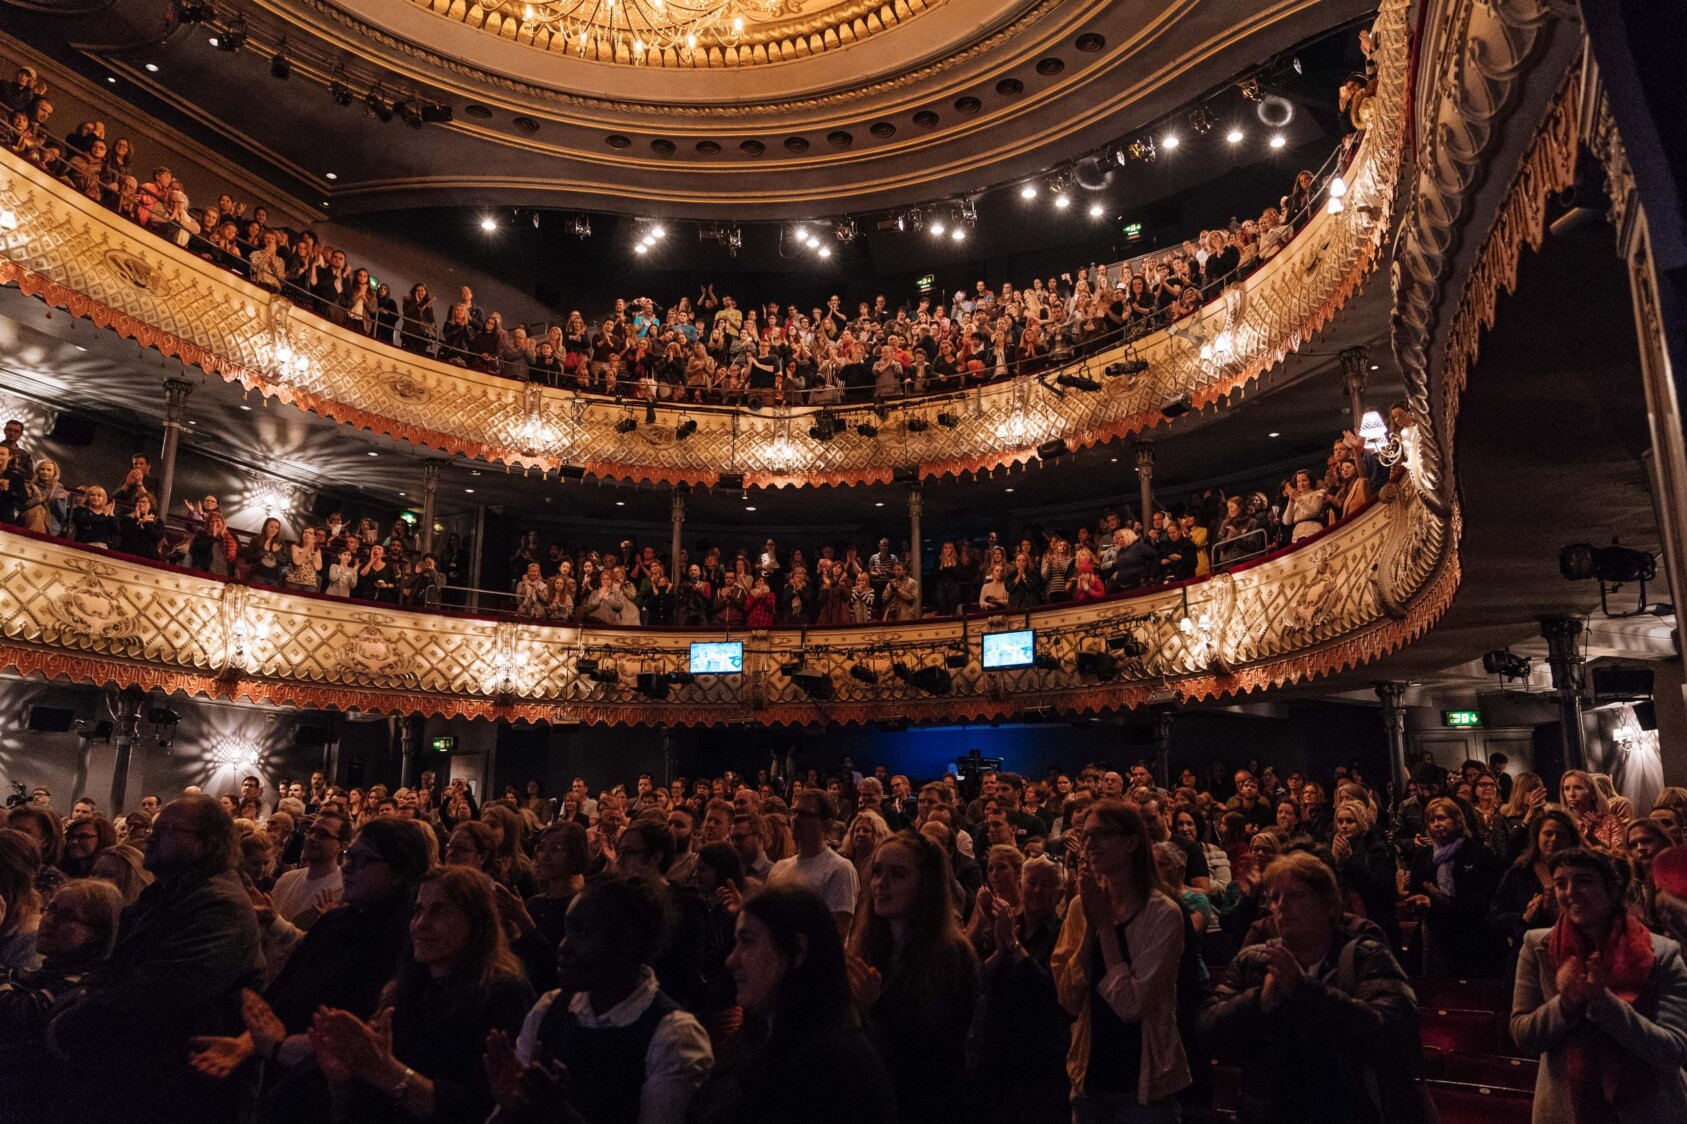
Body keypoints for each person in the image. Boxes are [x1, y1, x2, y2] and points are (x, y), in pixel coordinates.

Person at [50, 794, 264, 1123]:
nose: (151, 836)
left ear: (207, 843)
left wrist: (72, 1021)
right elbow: (115, 963)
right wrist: (81, 995)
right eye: (154, 828)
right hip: (148, 1075)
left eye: (167, 829)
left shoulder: (221, 906)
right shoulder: (167, 892)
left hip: (184, 1086)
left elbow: (163, 990)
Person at [1200, 852, 1431, 1124]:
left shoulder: (1365, 957)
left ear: (1330, 905)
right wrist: (1259, 1002)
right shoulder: (1253, 962)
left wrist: (1305, 991)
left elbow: (1393, 1033)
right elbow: (1207, 1032)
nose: (1281, 906)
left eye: (1296, 895)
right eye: (1274, 898)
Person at [307, 866, 534, 1124]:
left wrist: (388, 1072)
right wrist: (343, 1079)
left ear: (477, 923)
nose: (421, 924)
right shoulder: (403, 990)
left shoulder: (503, 994)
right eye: (419, 911)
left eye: (440, 911)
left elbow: (480, 1108)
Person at [485, 875, 713, 1124]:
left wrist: (561, 1114)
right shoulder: (550, 1007)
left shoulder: (673, 1037)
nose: (563, 946)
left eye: (582, 933)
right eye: (566, 931)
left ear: (628, 942)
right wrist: (510, 1104)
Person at [690, 886, 896, 1124]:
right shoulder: (760, 1036)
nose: (731, 959)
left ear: (798, 949)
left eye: (747, 941)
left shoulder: (833, 1070)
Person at [1510, 847, 1687, 1123]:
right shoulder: (1537, 946)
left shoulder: (1663, 953)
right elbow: (1524, 1036)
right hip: (1566, 1109)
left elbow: (1672, 1050)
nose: (1570, 892)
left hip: (1646, 1109)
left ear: (1613, 889)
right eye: (1560, 883)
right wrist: (1566, 1003)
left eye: (1584, 881)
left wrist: (1605, 1004)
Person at [1051, 799, 1191, 1122]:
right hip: (1089, 1081)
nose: (1089, 844)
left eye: (1100, 835)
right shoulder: (1079, 907)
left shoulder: (1163, 914)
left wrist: (1104, 925)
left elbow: (1131, 1007)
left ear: (1131, 842)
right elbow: (1069, 999)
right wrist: (1090, 929)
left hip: (1143, 1087)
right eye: (1085, 835)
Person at [846, 830, 980, 1121]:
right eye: (878, 871)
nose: (881, 884)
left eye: (898, 875)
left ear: (925, 885)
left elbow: (938, 1054)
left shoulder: (951, 956)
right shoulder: (868, 947)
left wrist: (873, 1009)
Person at [0, 879, 123, 1118]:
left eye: (66, 916)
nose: (49, 921)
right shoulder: (50, 971)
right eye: (51, 908)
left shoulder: (84, 982)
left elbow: (11, 1011)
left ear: (97, 934)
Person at [1406, 796, 1505, 978]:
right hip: (1437, 933)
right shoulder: (1424, 857)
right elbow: (1416, 889)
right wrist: (1423, 899)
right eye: (1432, 820)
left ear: (1456, 820)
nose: (1436, 824)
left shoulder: (1478, 853)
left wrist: (1444, 899)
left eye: (1442, 818)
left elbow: (1487, 895)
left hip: (1474, 934)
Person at [766, 791, 859, 939]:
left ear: (827, 825)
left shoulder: (839, 868)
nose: (795, 819)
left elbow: (835, 935)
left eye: (805, 814)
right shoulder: (779, 867)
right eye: (794, 812)